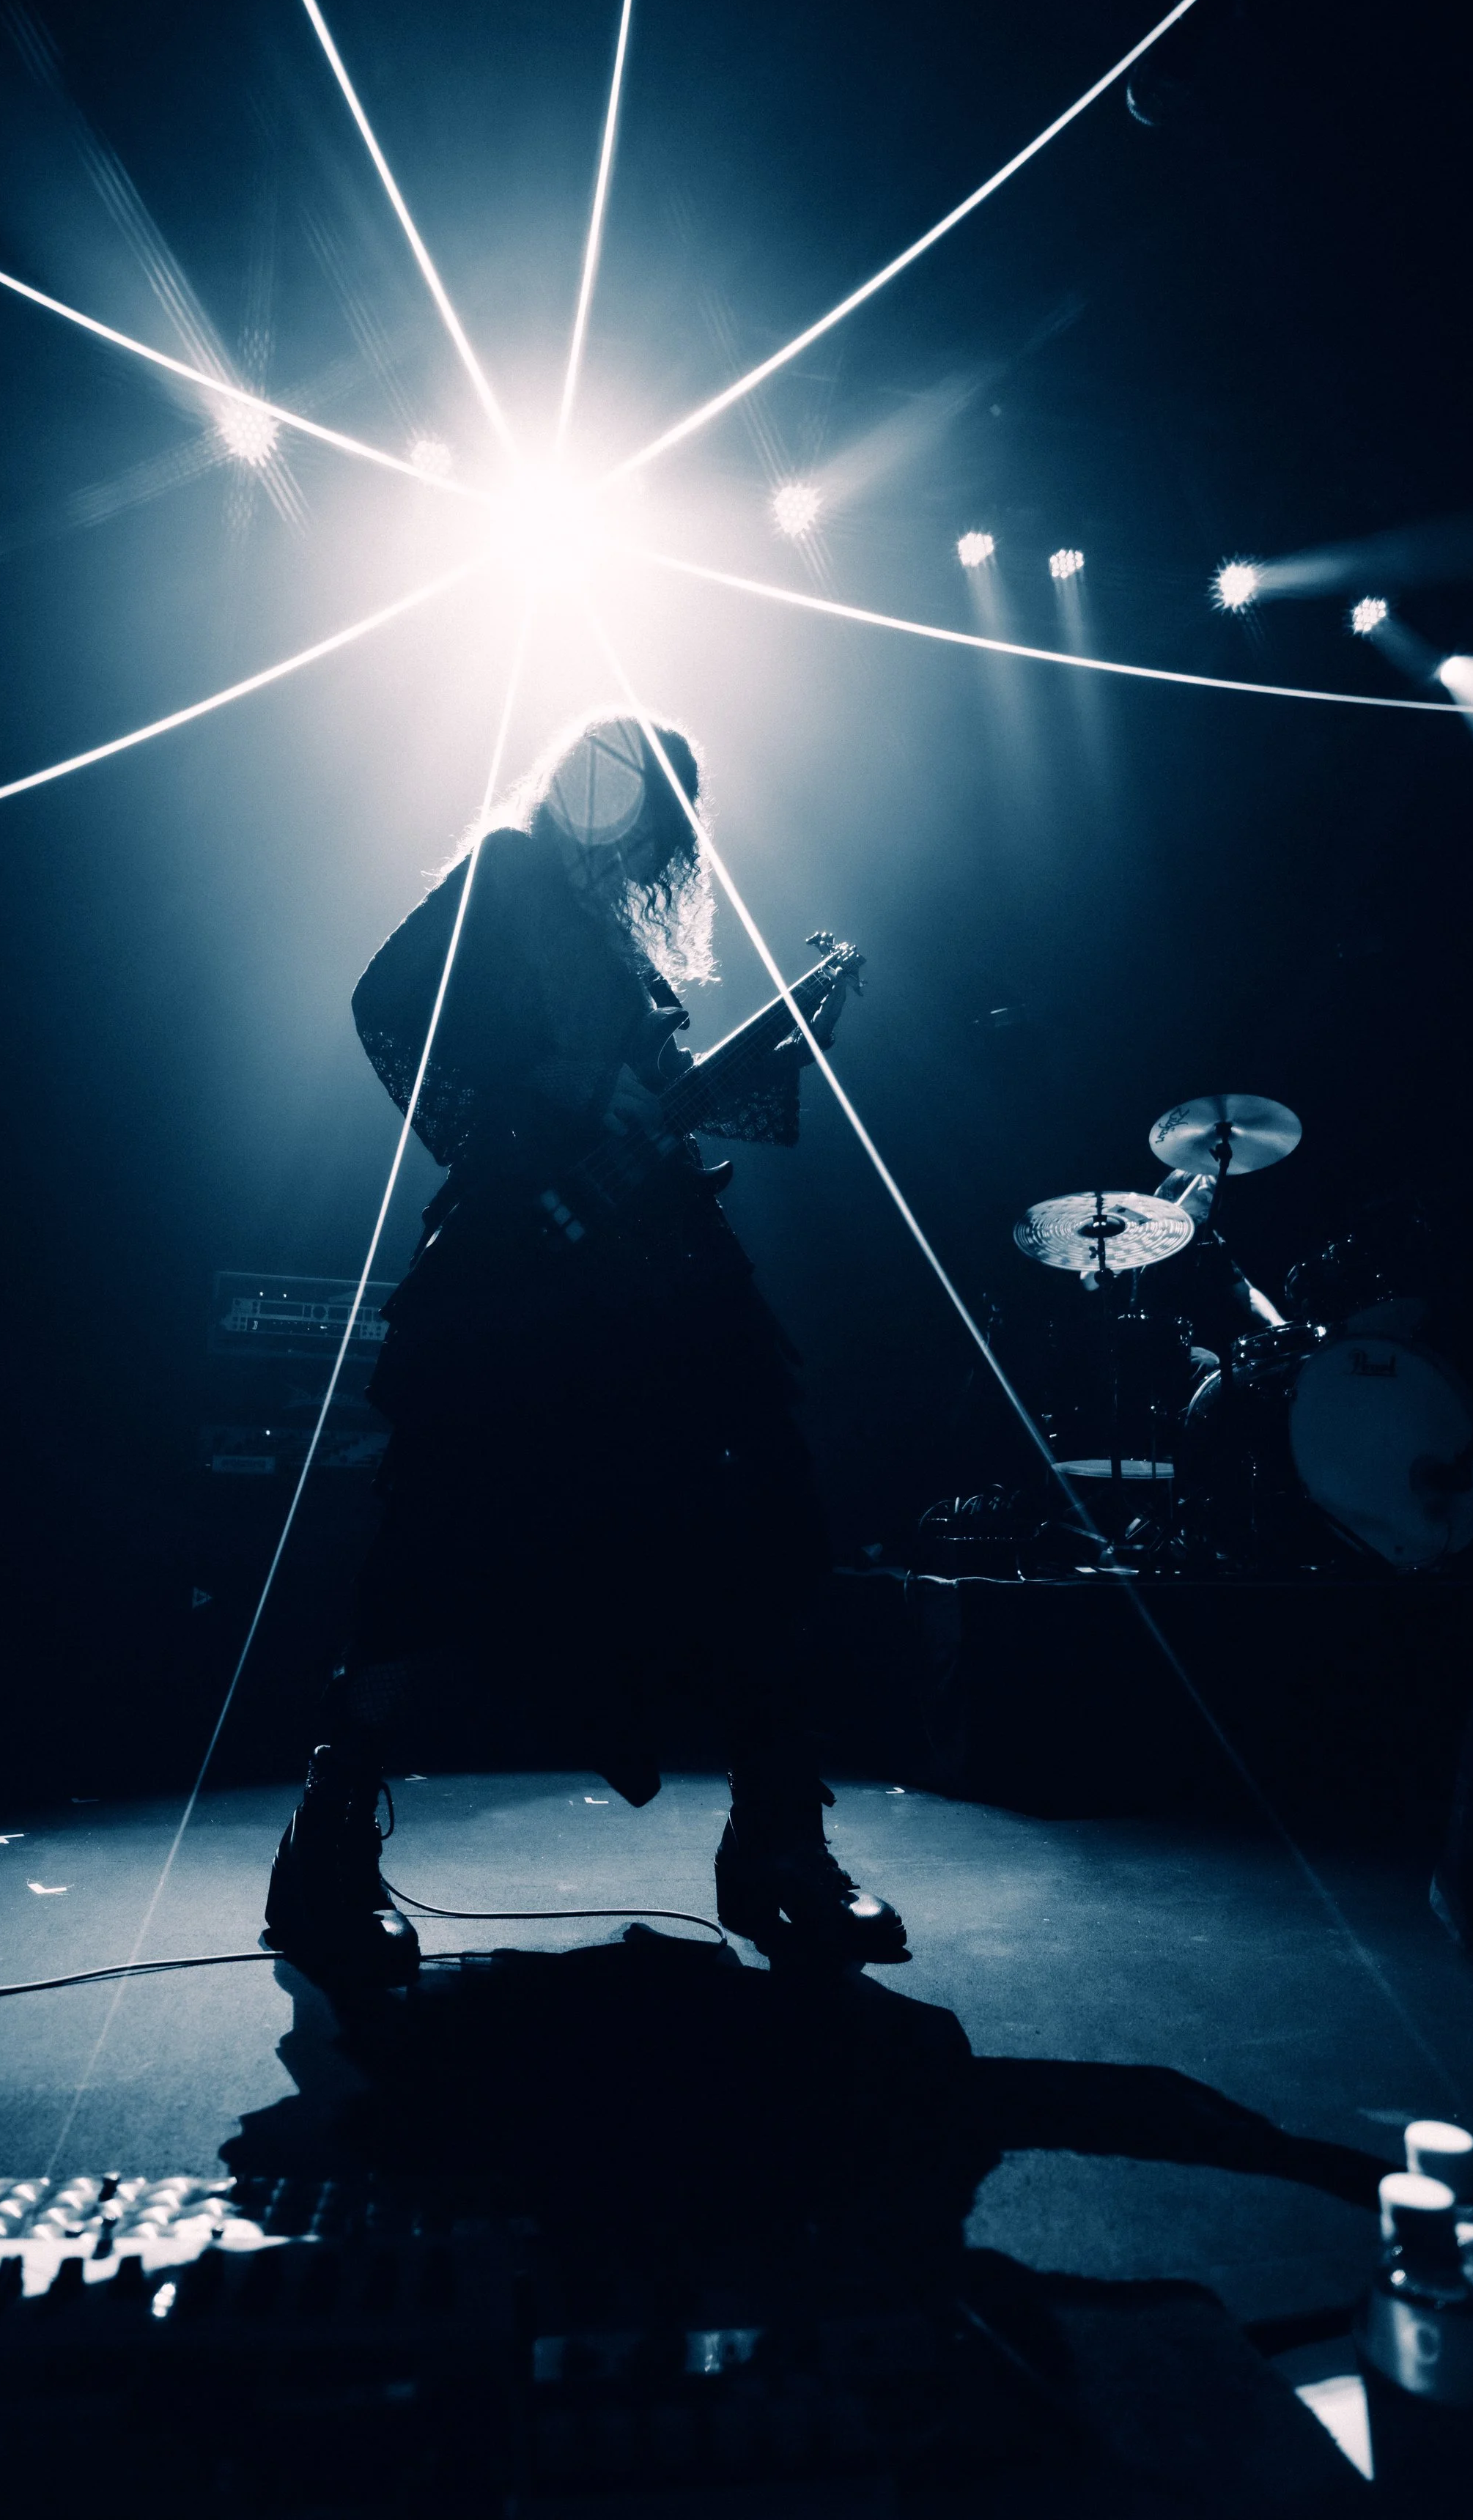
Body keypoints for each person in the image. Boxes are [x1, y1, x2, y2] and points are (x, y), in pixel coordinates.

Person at [265, 712, 907, 1995]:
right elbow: (389, 1003)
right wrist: (550, 1092)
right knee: (439, 1535)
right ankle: (325, 1851)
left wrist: (774, 1047)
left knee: (762, 1515)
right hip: (521, 1265)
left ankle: (779, 1838)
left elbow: (674, 1092)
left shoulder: (619, 936)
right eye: (633, 793)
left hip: (659, 1270)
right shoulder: (505, 869)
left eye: (665, 810)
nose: (645, 825)